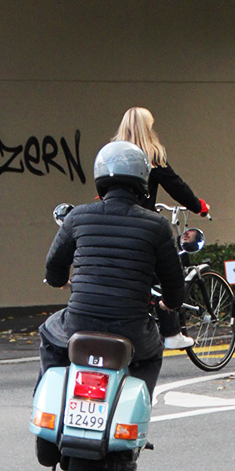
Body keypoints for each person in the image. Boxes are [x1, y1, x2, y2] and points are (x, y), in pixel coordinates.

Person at [39, 140, 184, 399]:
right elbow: (174, 284)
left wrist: (60, 281)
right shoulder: (157, 225)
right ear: (142, 180)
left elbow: (53, 266)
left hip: (78, 323)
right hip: (132, 329)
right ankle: (134, 413)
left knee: (50, 334)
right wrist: (169, 304)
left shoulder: (78, 216)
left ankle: (47, 403)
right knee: (151, 355)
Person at [112, 107, 210, 350]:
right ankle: (171, 332)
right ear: (147, 129)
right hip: (141, 225)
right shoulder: (151, 155)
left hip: (114, 223)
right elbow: (176, 187)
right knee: (168, 271)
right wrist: (199, 206)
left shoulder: (113, 156)